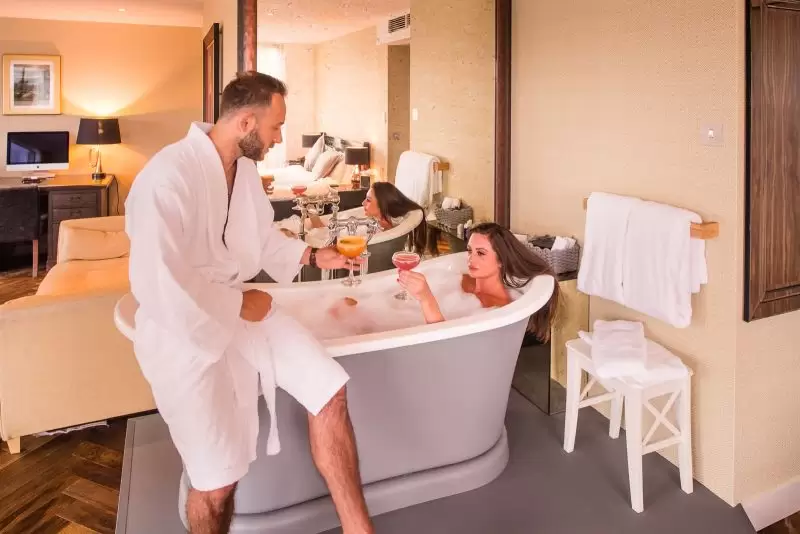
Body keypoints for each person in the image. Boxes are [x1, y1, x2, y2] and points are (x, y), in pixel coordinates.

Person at [125, 72, 374, 534]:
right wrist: (235, 305)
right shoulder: (166, 176)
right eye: (275, 127)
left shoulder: (242, 173)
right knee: (216, 483)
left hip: (239, 304)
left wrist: (312, 255)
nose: (279, 138)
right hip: (182, 330)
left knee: (328, 390)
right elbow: (156, 280)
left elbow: (260, 237)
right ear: (245, 123)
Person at [397, 222, 561, 341]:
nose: (470, 259)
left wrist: (426, 298)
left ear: (501, 260)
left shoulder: (500, 309)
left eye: (481, 253)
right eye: (470, 251)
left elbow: (447, 345)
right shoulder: (458, 279)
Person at [281, 182, 436, 256]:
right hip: (319, 242)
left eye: (368, 200)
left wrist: (298, 238)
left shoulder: (378, 232)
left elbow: (325, 243)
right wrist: (309, 209)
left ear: (383, 204)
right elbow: (322, 227)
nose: (362, 204)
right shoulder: (362, 220)